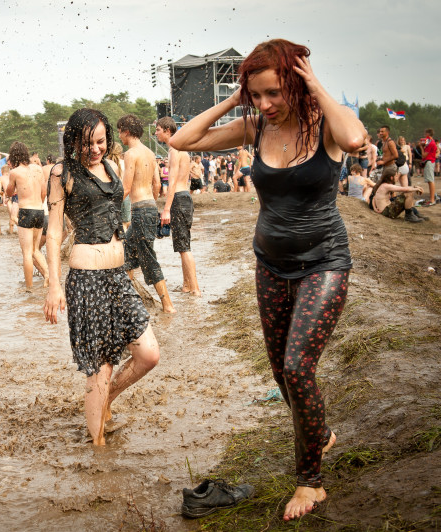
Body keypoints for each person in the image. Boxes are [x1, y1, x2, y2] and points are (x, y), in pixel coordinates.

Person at [171, 39, 365, 520]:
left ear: (297, 84)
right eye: (256, 95)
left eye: (274, 93)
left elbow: (357, 138)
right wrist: (234, 101)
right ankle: (319, 433)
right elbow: (181, 141)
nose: (265, 105)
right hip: (270, 265)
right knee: (281, 372)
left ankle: (311, 483)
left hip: (324, 262)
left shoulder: (327, 128)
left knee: (298, 367)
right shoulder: (253, 126)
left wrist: (316, 87)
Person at [44, 108, 160, 446]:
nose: (95, 149)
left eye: (100, 141)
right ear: (73, 142)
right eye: (87, 143)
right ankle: (98, 452)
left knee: (148, 354)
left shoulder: (113, 165)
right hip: (87, 279)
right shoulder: (61, 172)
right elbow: (53, 234)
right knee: (100, 366)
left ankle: (104, 400)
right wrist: (53, 286)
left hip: (117, 276)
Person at [116, 114, 175, 313]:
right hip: (149, 206)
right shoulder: (150, 153)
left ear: (126, 131)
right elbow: (157, 184)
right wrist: (151, 202)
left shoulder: (131, 154)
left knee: (148, 258)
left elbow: (125, 187)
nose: (119, 136)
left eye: (119, 132)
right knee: (127, 255)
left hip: (140, 210)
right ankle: (128, 302)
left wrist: (109, 207)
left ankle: (168, 305)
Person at [156, 117, 201, 296]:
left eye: (158, 129)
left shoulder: (175, 150)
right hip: (185, 198)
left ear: (167, 130)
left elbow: (173, 181)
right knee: (182, 244)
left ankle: (195, 288)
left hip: (179, 198)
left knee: (184, 247)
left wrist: (166, 208)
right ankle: (187, 285)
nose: (156, 133)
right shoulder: (181, 149)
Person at [5, 141, 50, 289]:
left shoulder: (15, 172)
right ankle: (49, 275)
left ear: (13, 156)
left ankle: (29, 289)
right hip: (40, 211)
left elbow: (9, 193)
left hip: (26, 211)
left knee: (26, 253)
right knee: (35, 250)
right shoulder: (38, 169)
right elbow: (44, 192)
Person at [420, 128, 437, 206]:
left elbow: (424, 155)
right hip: (431, 161)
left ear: (427, 134)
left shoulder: (430, 143)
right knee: (430, 180)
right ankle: (432, 198)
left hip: (429, 162)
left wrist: (421, 147)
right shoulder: (432, 142)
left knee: (430, 180)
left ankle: (432, 199)